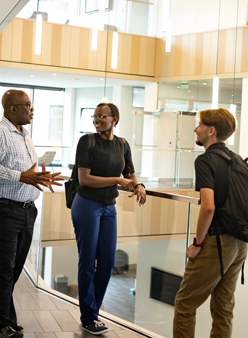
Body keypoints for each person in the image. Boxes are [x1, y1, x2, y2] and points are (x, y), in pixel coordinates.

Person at [0, 90, 62, 338]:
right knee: (4, 269)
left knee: (13, 269)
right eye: (28, 105)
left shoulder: (24, 135)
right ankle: (3, 324)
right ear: (12, 109)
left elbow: (25, 170)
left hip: (26, 210)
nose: (32, 109)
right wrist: (21, 176)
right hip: (3, 209)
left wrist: (38, 177)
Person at [71, 102, 146, 335]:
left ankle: (94, 310)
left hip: (108, 208)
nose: (96, 120)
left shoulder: (122, 144)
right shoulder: (87, 142)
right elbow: (84, 179)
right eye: (94, 116)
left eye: (101, 116)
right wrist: (117, 181)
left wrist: (139, 184)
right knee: (87, 263)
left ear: (114, 118)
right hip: (86, 205)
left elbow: (129, 173)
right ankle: (89, 317)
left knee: (107, 263)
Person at [173, 108, 247, 337]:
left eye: (199, 125)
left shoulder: (205, 161)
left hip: (216, 243)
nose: (196, 129)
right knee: (223, 308)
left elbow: (209, 207)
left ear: (211, 131)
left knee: (185, 304)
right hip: (239, 244)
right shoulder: (237, 159)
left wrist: (197, 243)